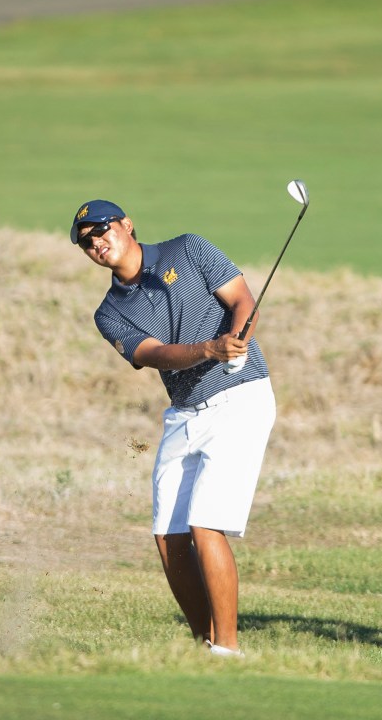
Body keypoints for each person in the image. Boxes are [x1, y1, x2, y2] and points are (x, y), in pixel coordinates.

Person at [70, 199, 277, 658]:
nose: (96, 243)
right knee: (169, 535)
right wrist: (209, 349)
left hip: (241, 396)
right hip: (184, 412)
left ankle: (227, 652)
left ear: (126, 224)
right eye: (86, 242)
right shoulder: (109, 312)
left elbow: (242, 300)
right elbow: (154, 354)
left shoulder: (189, 248)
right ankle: (204, 646)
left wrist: (237, 341)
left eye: (101, 230)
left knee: (205, 524)